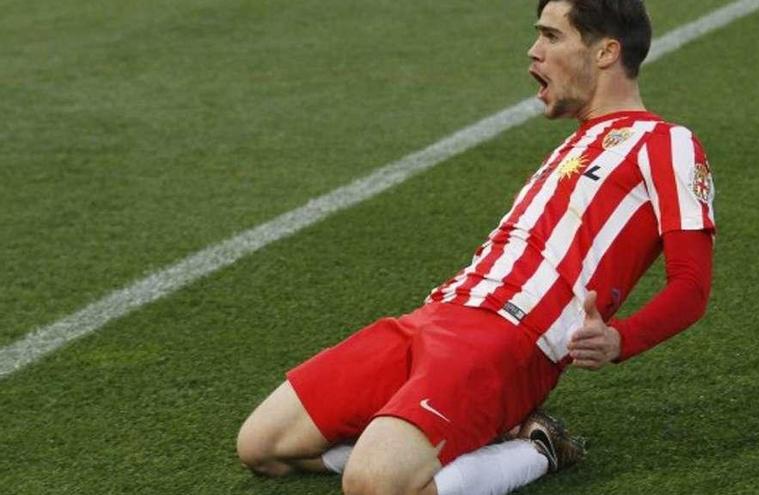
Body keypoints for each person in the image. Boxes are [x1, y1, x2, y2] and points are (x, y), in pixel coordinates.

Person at [236, 0, 715, 493]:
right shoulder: (575, 144)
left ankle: (537, 450)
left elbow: (692, 286)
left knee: (373, 485)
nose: (534, 53)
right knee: (263, 447)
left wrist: (620, 340)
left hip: (506, 341)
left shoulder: (667, 142)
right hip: (435, 318)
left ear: (606, 52)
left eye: (551, 37)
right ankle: (464, 437)